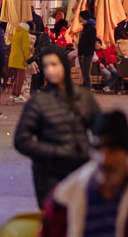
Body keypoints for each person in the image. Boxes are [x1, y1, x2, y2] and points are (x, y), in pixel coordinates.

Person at [14, 47, 98, 206]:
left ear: (64, 64)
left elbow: (101, 129)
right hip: (49, 174)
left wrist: (89, 152)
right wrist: (52, 152)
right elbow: (21, 140)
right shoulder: (39, 102)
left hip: (80, 172)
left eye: (54, 64)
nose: (50, 70)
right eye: (46, 66)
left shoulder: (83, 97)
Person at [7, 20, 32, 102]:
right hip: (20, 59)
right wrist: (27, 59)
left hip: (13, 58)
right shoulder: (25, 34)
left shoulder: (16, 33)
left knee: (17, 77)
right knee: (21, 77)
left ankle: (13, 93)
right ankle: (17, 95)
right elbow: (25, 48)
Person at [76, 9, 98, 88]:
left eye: (80, 16)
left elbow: (90, 42)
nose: (79, 18)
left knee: (86, 73)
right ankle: (85, 89)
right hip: (83, 54)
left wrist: (84, 53)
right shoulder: (86, 27)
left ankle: (87, 89)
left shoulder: (90, 28)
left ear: (83, 17)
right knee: (84, 73)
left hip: (87, 54)